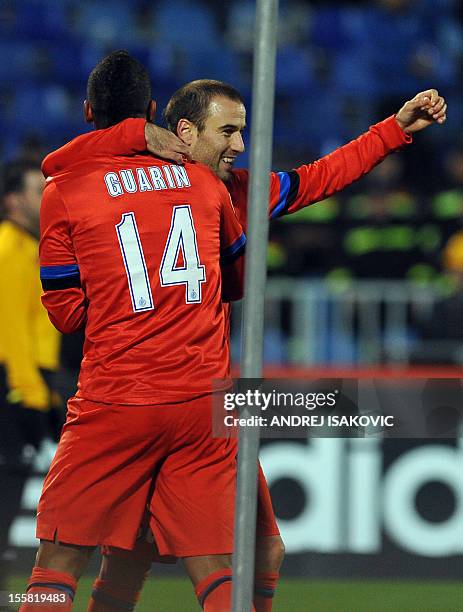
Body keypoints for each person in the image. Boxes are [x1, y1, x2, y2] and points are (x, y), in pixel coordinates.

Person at [56, 81, 446, 612]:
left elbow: (317, 178)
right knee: (157, 557)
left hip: (174, 400)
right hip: (168, 398)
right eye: (229, 131)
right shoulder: (186, 190)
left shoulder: (223, 187)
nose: (240, 144)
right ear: (184, 133)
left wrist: (392, 132)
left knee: (253, 550)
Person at [20, 51, 247, 612]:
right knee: (216, 571)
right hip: (201, 403)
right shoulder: (201, 181)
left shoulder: (63, 191)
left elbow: (67, 315)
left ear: (86, 111)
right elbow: (236, 281)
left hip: (116, 399)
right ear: (153, 111)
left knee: (57, 567)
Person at [0, 161, 62, 587]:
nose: (47, 199)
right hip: (13, 392)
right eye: (39, 191)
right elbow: (9, 335)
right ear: (13, 200)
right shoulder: (8, 249)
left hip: (28, 387)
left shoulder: (29, 247)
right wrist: (30, 395)